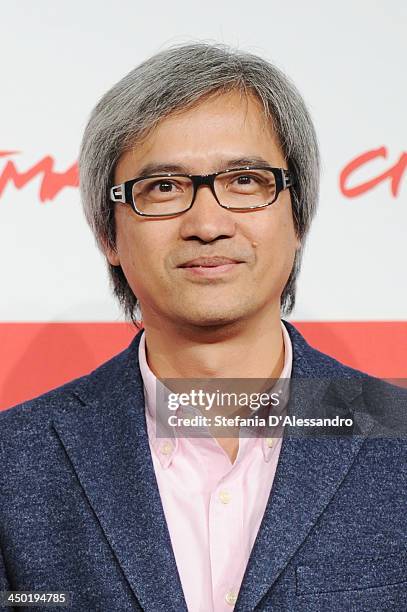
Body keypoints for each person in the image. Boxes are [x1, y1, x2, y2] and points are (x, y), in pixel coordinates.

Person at [0, 43, 406, 612]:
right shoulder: (14, 461)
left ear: (298, 217)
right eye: (163, 188)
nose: (208, 224)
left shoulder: (395, 435)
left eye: (245, 180)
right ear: (108, 236)